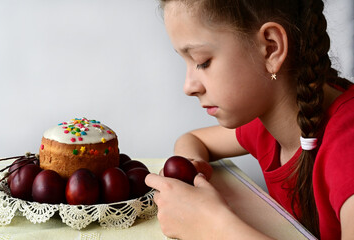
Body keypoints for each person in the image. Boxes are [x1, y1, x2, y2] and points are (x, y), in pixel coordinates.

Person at [145, 0, 354, 239]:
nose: (188, 87)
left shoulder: (348, 145)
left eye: (202, 61)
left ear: (271, 48)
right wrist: (192, 168)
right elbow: (192, 139)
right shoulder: (265, 124)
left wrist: (213, 227)